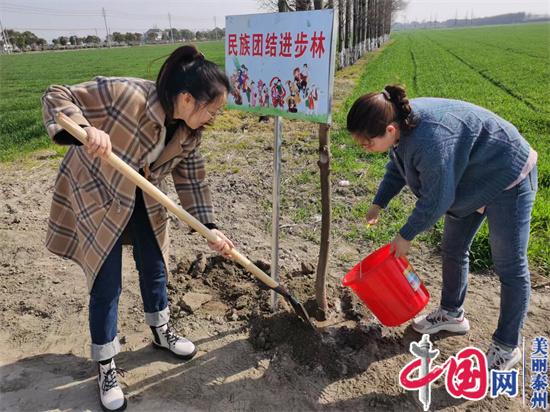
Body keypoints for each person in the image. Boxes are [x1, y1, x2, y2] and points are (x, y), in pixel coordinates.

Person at [41, 45, 235, 411]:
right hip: (99, 194)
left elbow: (193, 182)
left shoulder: (189, 133)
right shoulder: (126, 95)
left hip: (143, 198)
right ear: (187, 98)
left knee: (155, 267)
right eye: (212, 109)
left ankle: (161, 331)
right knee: (106, 282)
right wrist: (85, 129)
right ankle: (106, 362)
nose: (215, 117)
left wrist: (210, 226)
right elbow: (57, 94)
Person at [346, 84, 538, 371]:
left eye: (366, 143)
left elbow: (437, 198)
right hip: (468, 178)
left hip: (506, 174)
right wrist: (379, 202)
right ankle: (452, 313)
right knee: (453, 248)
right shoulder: (399, 124)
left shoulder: (430, 141)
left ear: (389, 130)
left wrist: (406, 234)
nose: (364, 148)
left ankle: (507, 346)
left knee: (509, 266)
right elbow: (397, 167)